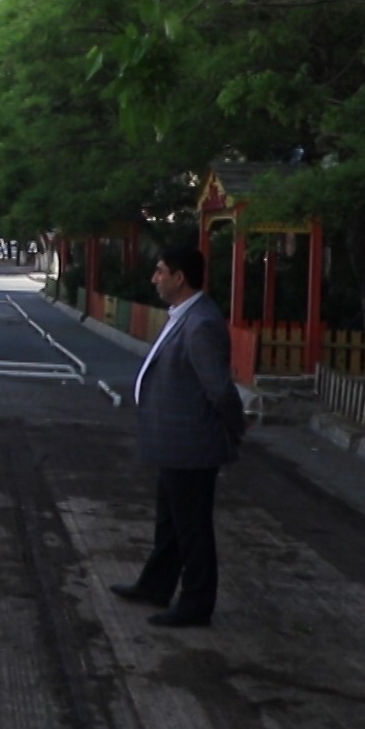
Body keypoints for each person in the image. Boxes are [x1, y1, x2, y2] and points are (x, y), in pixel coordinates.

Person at [110, 244, 247, 627]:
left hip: (191, 444)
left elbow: (219, 389)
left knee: (192, 529)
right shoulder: (184, 315)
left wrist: (235, 429)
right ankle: (156, 584)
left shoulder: (201, 322)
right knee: (170, 523)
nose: (154, 278)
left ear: (179, 277)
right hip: (175, 441)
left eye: (159, 271)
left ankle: (196, 603)